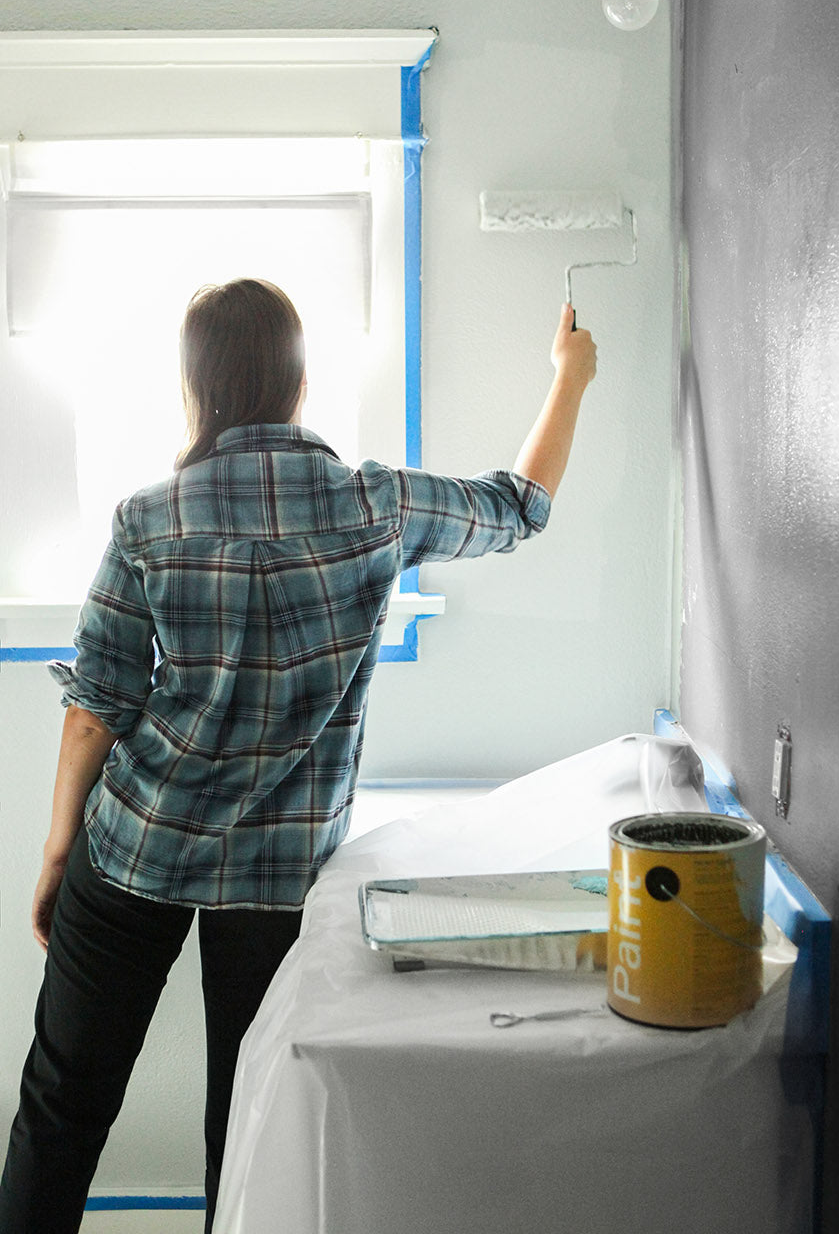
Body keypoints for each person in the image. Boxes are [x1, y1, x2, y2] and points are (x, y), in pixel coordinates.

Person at [0, 277, 597, 1233]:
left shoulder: (148, 517)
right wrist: (569, 377)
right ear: (300, 382)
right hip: (280, 877)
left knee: (62, 1108)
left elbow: (96, 708)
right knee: (245, 1125)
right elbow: (520, 507)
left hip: (133, 848)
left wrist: (57, 849)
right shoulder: (374, 505)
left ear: (193, 387)